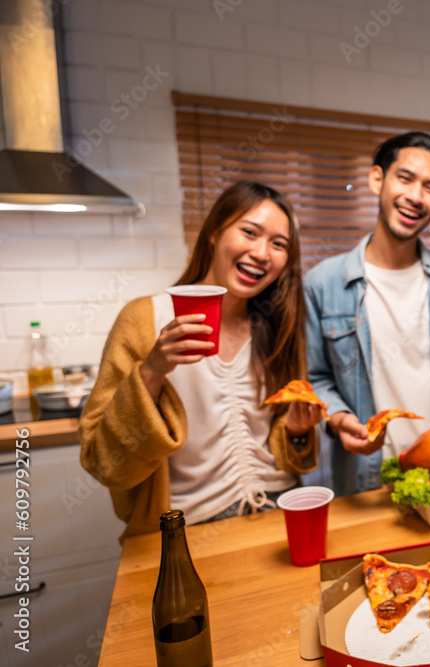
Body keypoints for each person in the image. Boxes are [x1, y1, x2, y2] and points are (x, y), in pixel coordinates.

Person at [80, 181, 323, 541]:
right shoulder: (144, 319)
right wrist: (151, 371)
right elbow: (103, 462)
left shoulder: (276, 327)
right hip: (187, 528)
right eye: (249, 232)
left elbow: (281, 442)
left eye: (279, 244)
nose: (261, 252)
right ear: (213, 232)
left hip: (279, 512)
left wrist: (297, 433)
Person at [304, 131, 430, 496]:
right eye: (405, 178)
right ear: (377, 179)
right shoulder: (322, 283)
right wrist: (338, 419)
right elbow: (317, 379)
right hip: (369, 479)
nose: (416, 197)